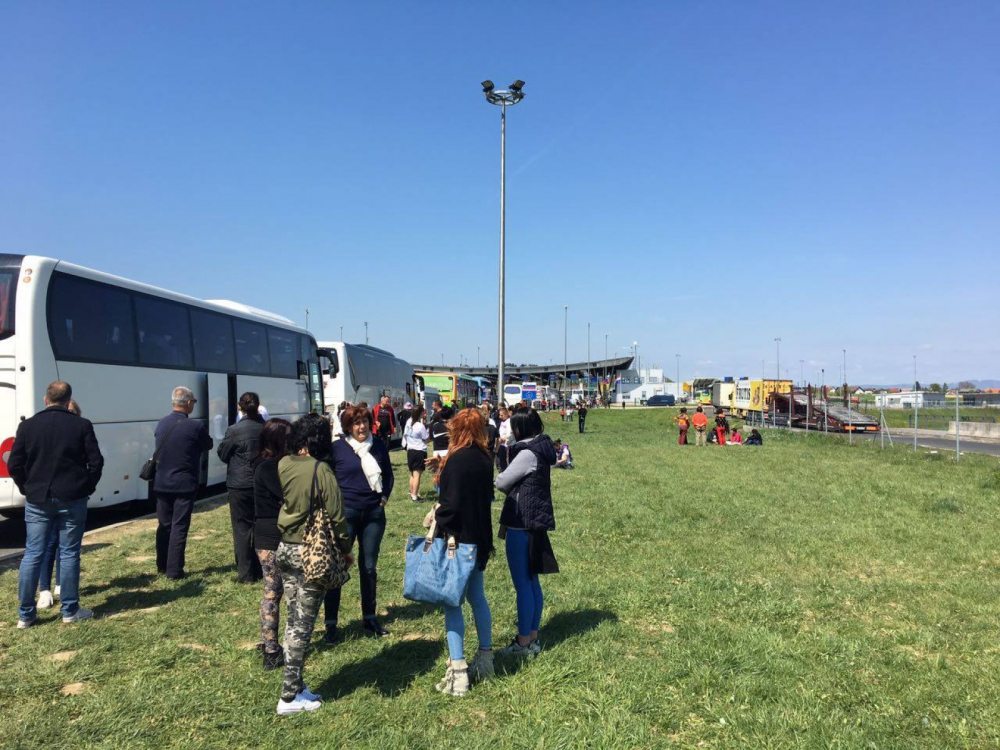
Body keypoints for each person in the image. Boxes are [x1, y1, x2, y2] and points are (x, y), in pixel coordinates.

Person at [275, 414, 353, 715]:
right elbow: (337, 515)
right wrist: (345, 550)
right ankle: (288, 697)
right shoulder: (322, 470)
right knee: (303, 625)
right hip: (311, 551)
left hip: (285, 547)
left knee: (292, 618)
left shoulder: (284, 463)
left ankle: (297, 685)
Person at [11, 381, 104, 628]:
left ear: (46, 399)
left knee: (33, 553)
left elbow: (14, 464)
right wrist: (87, 487)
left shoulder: (28, 426)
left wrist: (26, 487)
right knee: (70, 553)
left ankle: (26, 614)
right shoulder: (81, 425)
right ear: (68, 399)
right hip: (72, 496)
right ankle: (70, 609)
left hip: (38, 497)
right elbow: (96, 462)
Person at [432, 408, 496, 697]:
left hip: (457, 540)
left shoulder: (455, 459)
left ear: (456, 429)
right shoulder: (484, 458)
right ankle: (486, 658)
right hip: (480, 536)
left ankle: (458, 671)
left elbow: (452, 504)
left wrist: (436, 515)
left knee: (452, 602)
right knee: (477, 597)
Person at [323, 404, 394, 642]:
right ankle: (331, 624)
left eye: (364, 422)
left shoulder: (378, 445)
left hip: (374, 514)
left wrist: (384, 498)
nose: (361, 427)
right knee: (338, 567)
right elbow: (328, 480)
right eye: (356, 423)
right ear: (347, 427)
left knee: (369, 567)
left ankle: (370, 617)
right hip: (347, 514)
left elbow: (388, 475)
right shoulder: (338, 448)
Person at [495, 409, 558, 657]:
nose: (510, 431)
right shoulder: (541, 448)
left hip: (520, 522)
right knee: (532, 582)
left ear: (520, 428)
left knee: (522, 584)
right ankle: (531, 637)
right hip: (534, 523)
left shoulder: (526, 453)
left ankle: (522, 643)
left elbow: (501, 481)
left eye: (513, 427)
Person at [153, 387, 214, 580]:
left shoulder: (161, 423)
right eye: (193, 402)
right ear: (188, 403)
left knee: (164, 525)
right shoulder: (195, 426)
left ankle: (162, 565)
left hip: (161, 482)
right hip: (184, 483)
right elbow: (208, 444)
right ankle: (174, 571)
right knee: (179, 526)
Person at [252, 418, 293, 670]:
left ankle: (269, 643)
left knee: (273, 589)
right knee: (274, 590)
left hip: (267, 531)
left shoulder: (262, 463)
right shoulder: (270, 467)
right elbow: (288, 496)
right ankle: (271, 649)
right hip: (272, 533)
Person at [35, 397, 83, 610]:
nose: (68, 414)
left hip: (71, 496)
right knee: (48, 544)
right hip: (47, 497)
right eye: (67, 410)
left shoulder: (80, 431)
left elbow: (93, 462)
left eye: (72, 412)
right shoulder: (45, 431)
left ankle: (61, 585)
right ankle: (44, 589)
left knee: (68, 547)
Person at [218, 392, 265, 583]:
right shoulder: (265, 428)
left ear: (240, 407)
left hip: (239, 485)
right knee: (260, 527)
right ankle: (261, 569)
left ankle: (246, 574)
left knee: (241, 529)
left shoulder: (234, 430)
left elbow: (223, 454)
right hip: (261, 483)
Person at [403, 405, 430, 502]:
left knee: (412, 473)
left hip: (410, 450)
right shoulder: (420, 426)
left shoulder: (409, 423)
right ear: (421, 413)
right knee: (417, 474)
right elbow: (427, 439)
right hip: (419, 451)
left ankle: (412, 492)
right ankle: (415, 496)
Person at [496, 406, 512, 472]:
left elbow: (509, 435)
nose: (500, 417)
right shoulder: (502, 421)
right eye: (499, 415)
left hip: (507, 445)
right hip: (501, 445)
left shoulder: (509, 422)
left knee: (507, 462)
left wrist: (502, 439)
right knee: (501, 463)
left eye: (501, 415)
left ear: (506, 414)